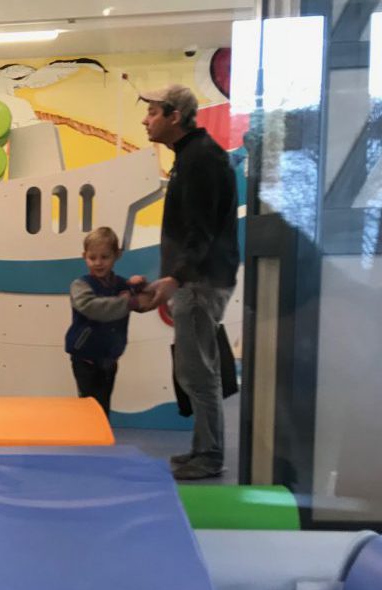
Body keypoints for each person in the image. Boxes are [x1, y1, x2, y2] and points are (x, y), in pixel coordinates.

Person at [140, 84, 239, 481]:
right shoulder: (192, 156)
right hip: (197, 279)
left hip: (201, 282)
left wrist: (175, 279)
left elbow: (201, 233)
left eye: (152, 113)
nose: (145, 120)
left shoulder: (199, 160)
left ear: (174, 116)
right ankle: (202, 448)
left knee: (198, 373)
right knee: (196, 371)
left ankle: (210, 455)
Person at [65, 227, 147, 416]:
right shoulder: (80, 285)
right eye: (92, 258)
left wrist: (141, 285)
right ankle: (88, 441)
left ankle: (100, 440)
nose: (98, 263)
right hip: (84, 357)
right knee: (88, 404)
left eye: (105, 257)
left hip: (109, 357)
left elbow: (142, 302)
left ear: (117, 255)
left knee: (103, 404)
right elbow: (92, 307)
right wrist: (128, 301)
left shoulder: (122, 285)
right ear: (84, 256)